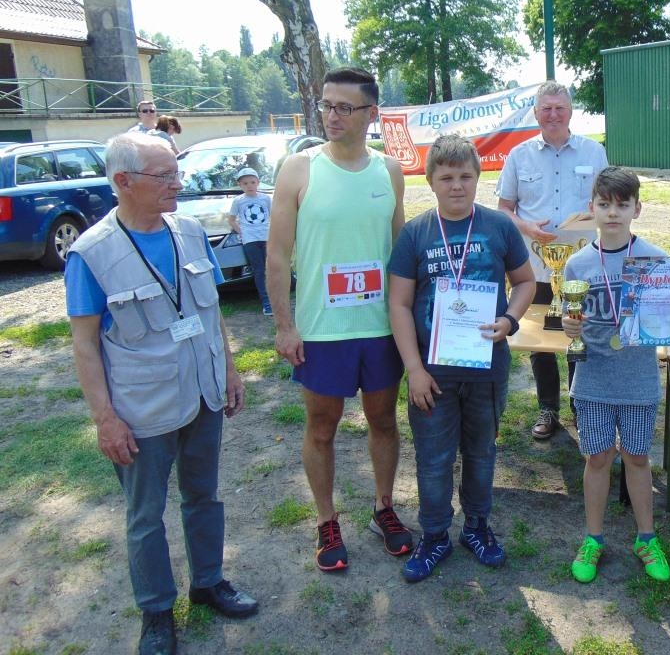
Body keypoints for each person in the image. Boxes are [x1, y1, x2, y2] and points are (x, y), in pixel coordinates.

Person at [65, 133, 258, 655]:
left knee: (204, 496)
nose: (179, 183)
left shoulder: (190, 232)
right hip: (140, 411)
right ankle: (155, 612)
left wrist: (231, 372)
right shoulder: (91, 254)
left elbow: (210, 313)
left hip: (202, 395)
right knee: (145, 516)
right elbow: (85, 346)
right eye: (165, 176)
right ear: (123, 182)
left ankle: (209, 581)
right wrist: (105, 419)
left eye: (176, 172)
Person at [267, 67, 413, 572]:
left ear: (371, 114)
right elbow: (278, 256)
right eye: (327, 105)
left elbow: (399, 254)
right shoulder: (298, 169)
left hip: (378, 328)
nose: (332, 115)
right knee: (322, 427)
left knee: (382, 421)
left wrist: (409, 323)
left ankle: (384, 508)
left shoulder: (389, 171)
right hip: (322, 330)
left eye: (344, 107)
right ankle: (327, 520)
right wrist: (285, 326)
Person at [388, 134, 535, 582]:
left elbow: (525, 282)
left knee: (481, 452)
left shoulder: (499, 226)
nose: (457, 186)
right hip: (431, 374)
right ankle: (434, 536)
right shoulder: (415, 232)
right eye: (446, 177)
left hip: (487, 368)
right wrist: (413, 369)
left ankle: (476, 528)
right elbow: (398, 303)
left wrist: (509, 320)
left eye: (465, 176)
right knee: (433, 457)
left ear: (478, 178)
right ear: (430, 180)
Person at [561, 166, 670, 584]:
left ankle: (646, 538)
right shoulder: (578, 264)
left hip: (638, 380)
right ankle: (594, 538)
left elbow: (665, 318)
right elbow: (569, 315)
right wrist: (570, 326)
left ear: (637, 207)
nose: (613, 213)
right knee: (597, 457)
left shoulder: (655, 260)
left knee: (637, 457)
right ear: (591, 209)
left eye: (622, 204)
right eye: (604, 204)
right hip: (594, 379)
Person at [496, 81, 609, 440]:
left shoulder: (594, 153)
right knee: (538, 339)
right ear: (535, 113)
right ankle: (548, 407)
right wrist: (527, 227)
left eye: (560, 107)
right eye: (546, 108)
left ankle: (580, 404)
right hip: (534, 266)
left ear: (571, 111)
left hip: (583, 269)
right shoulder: (519, 155)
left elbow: (609, 203)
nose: (553, 114)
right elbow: (504, 210)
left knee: (579, 335)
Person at [228, 167, 273, 315]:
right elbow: (232, 220)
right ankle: (266, 303)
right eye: (245, 183)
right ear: (240, 185)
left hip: (267, 238)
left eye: (252, 182)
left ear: (258, 183)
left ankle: (276, 298)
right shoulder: (238, 201)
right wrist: (242, 232)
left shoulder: (265, 198)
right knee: (259, 270)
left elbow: (274, 216)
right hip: (250, 240)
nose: (249, 186)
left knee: (271, 269)